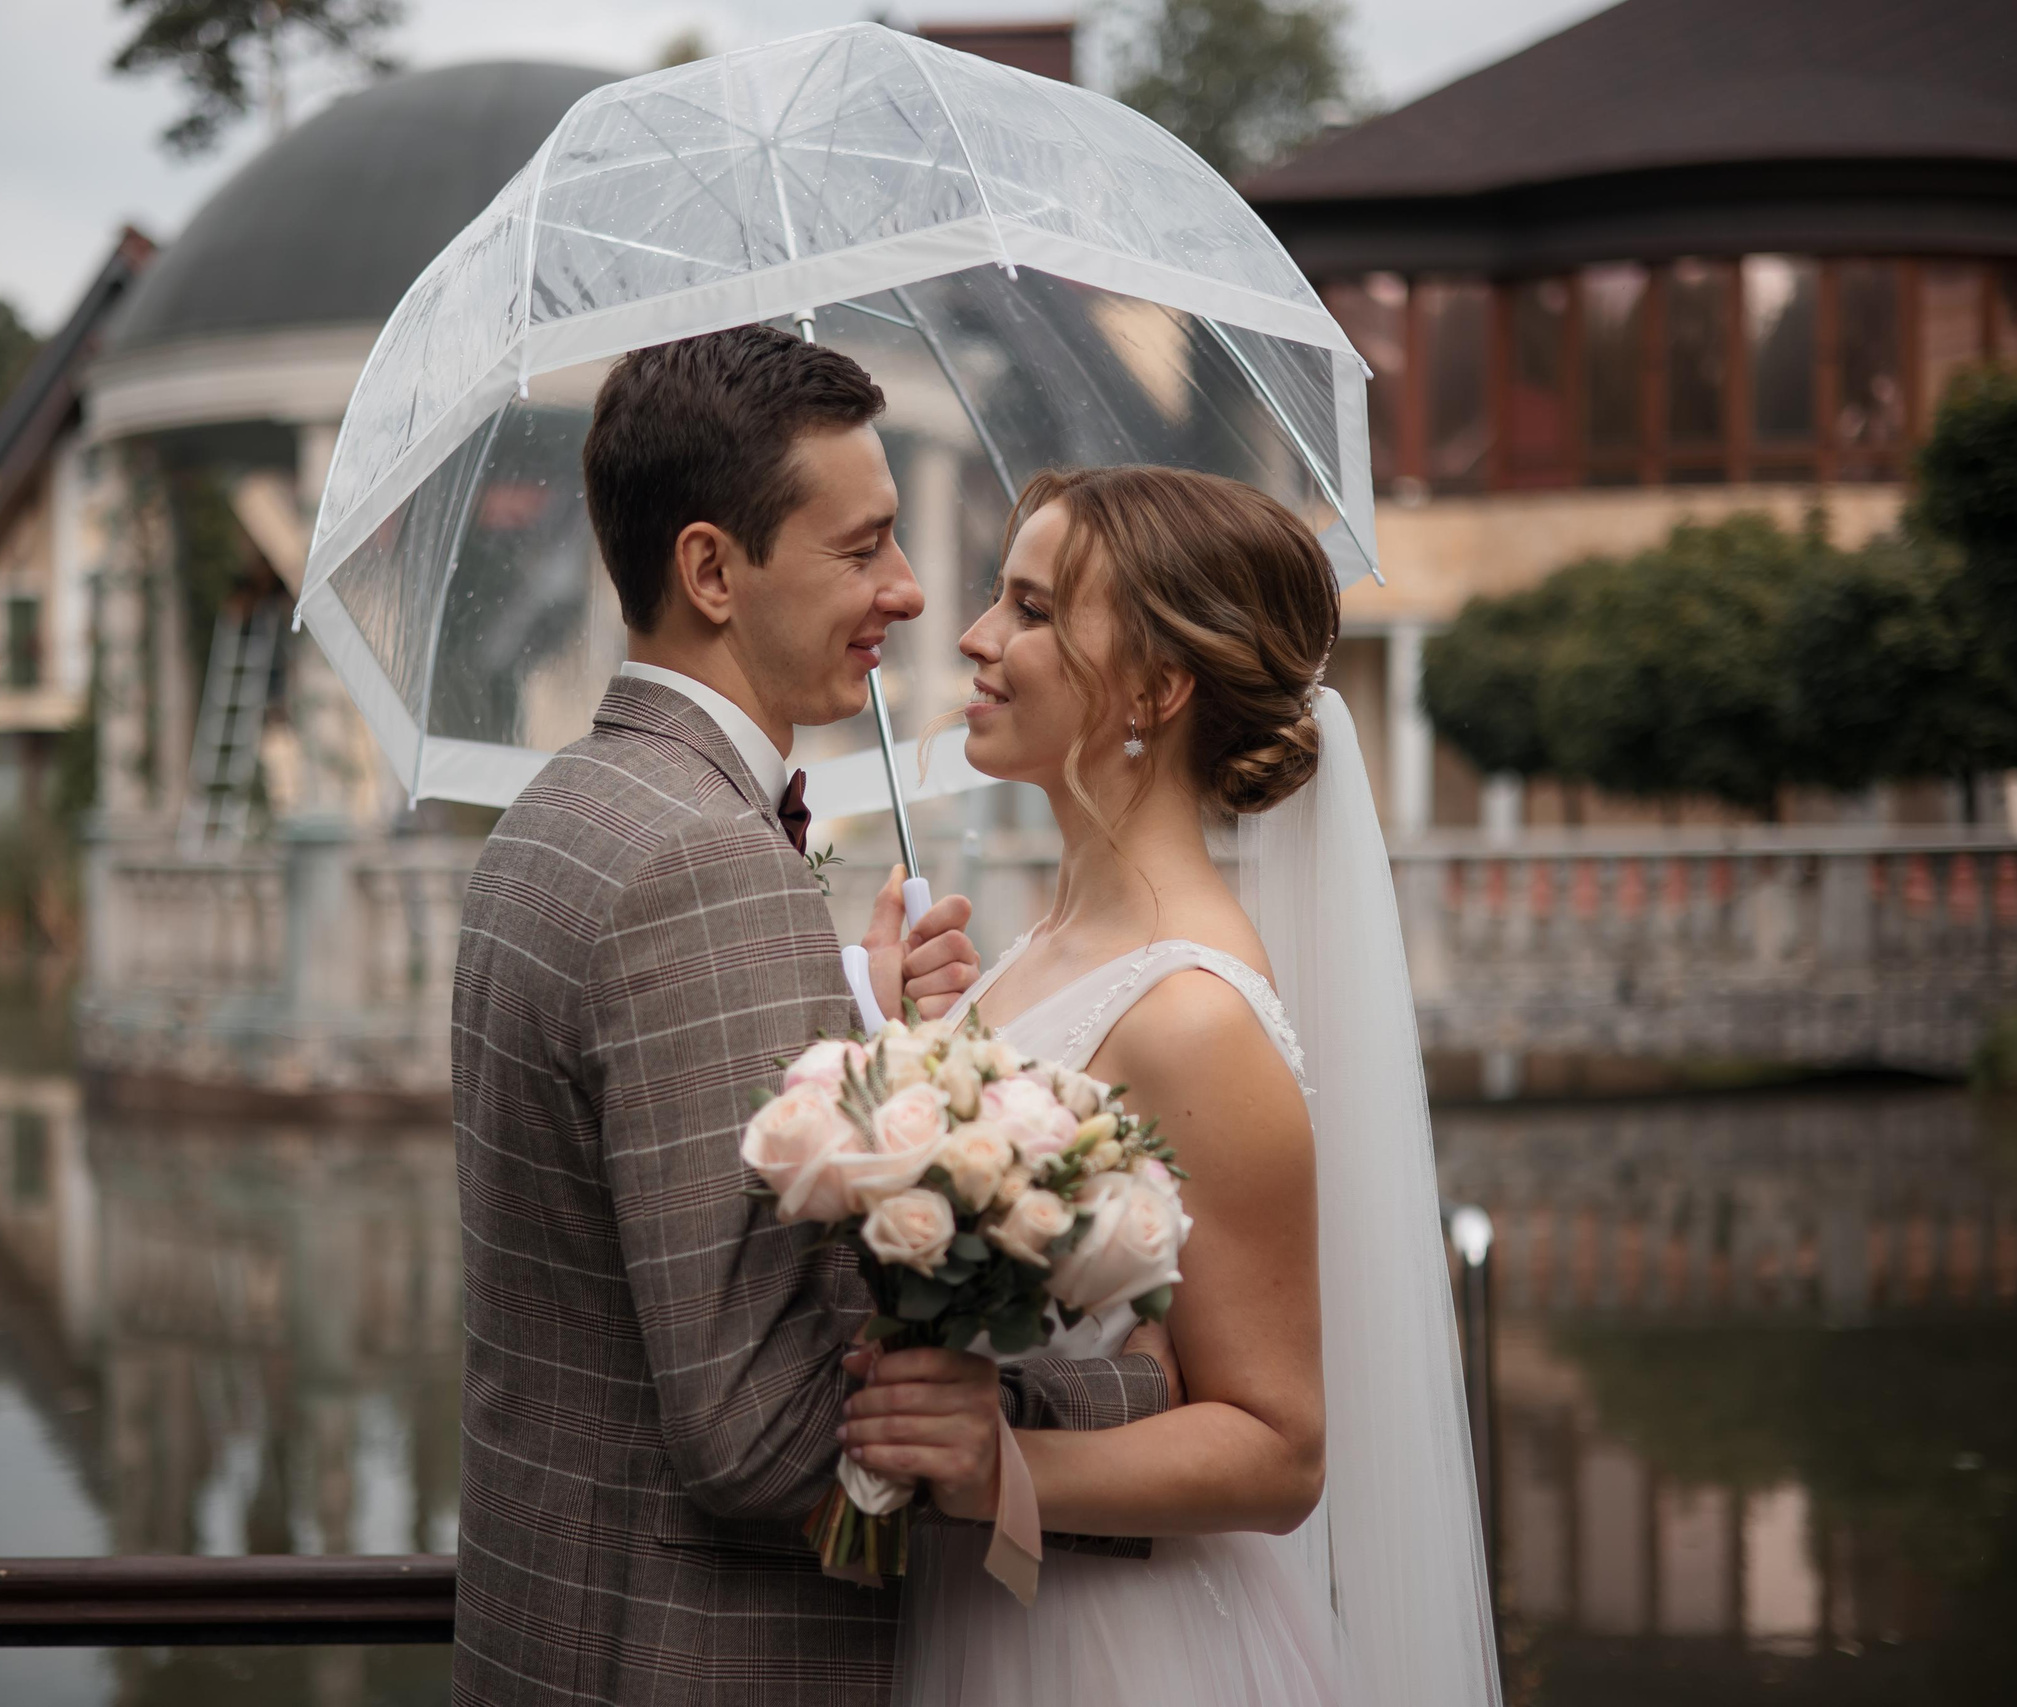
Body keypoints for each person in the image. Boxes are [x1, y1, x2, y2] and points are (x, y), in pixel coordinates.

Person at [449, 329, 1176, 1707]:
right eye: (863, 550)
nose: (909, 592)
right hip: (699, 1655)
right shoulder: (706, 866)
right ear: (713, 569)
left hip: (553, 1631)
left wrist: (859, 1023)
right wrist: (1120, 1395)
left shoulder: (563, 811)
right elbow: (763, 1429)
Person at [846, 466, 1502, 1707]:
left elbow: (1278, 1448)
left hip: (1104, 1647)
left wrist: (997, 1465)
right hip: (973, 1612)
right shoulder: (1032, 953)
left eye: (1034, 611)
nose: (976, 637)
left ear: (1155, 687)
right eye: (1001, 596)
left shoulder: (1192, 1013)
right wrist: (900, 1039)